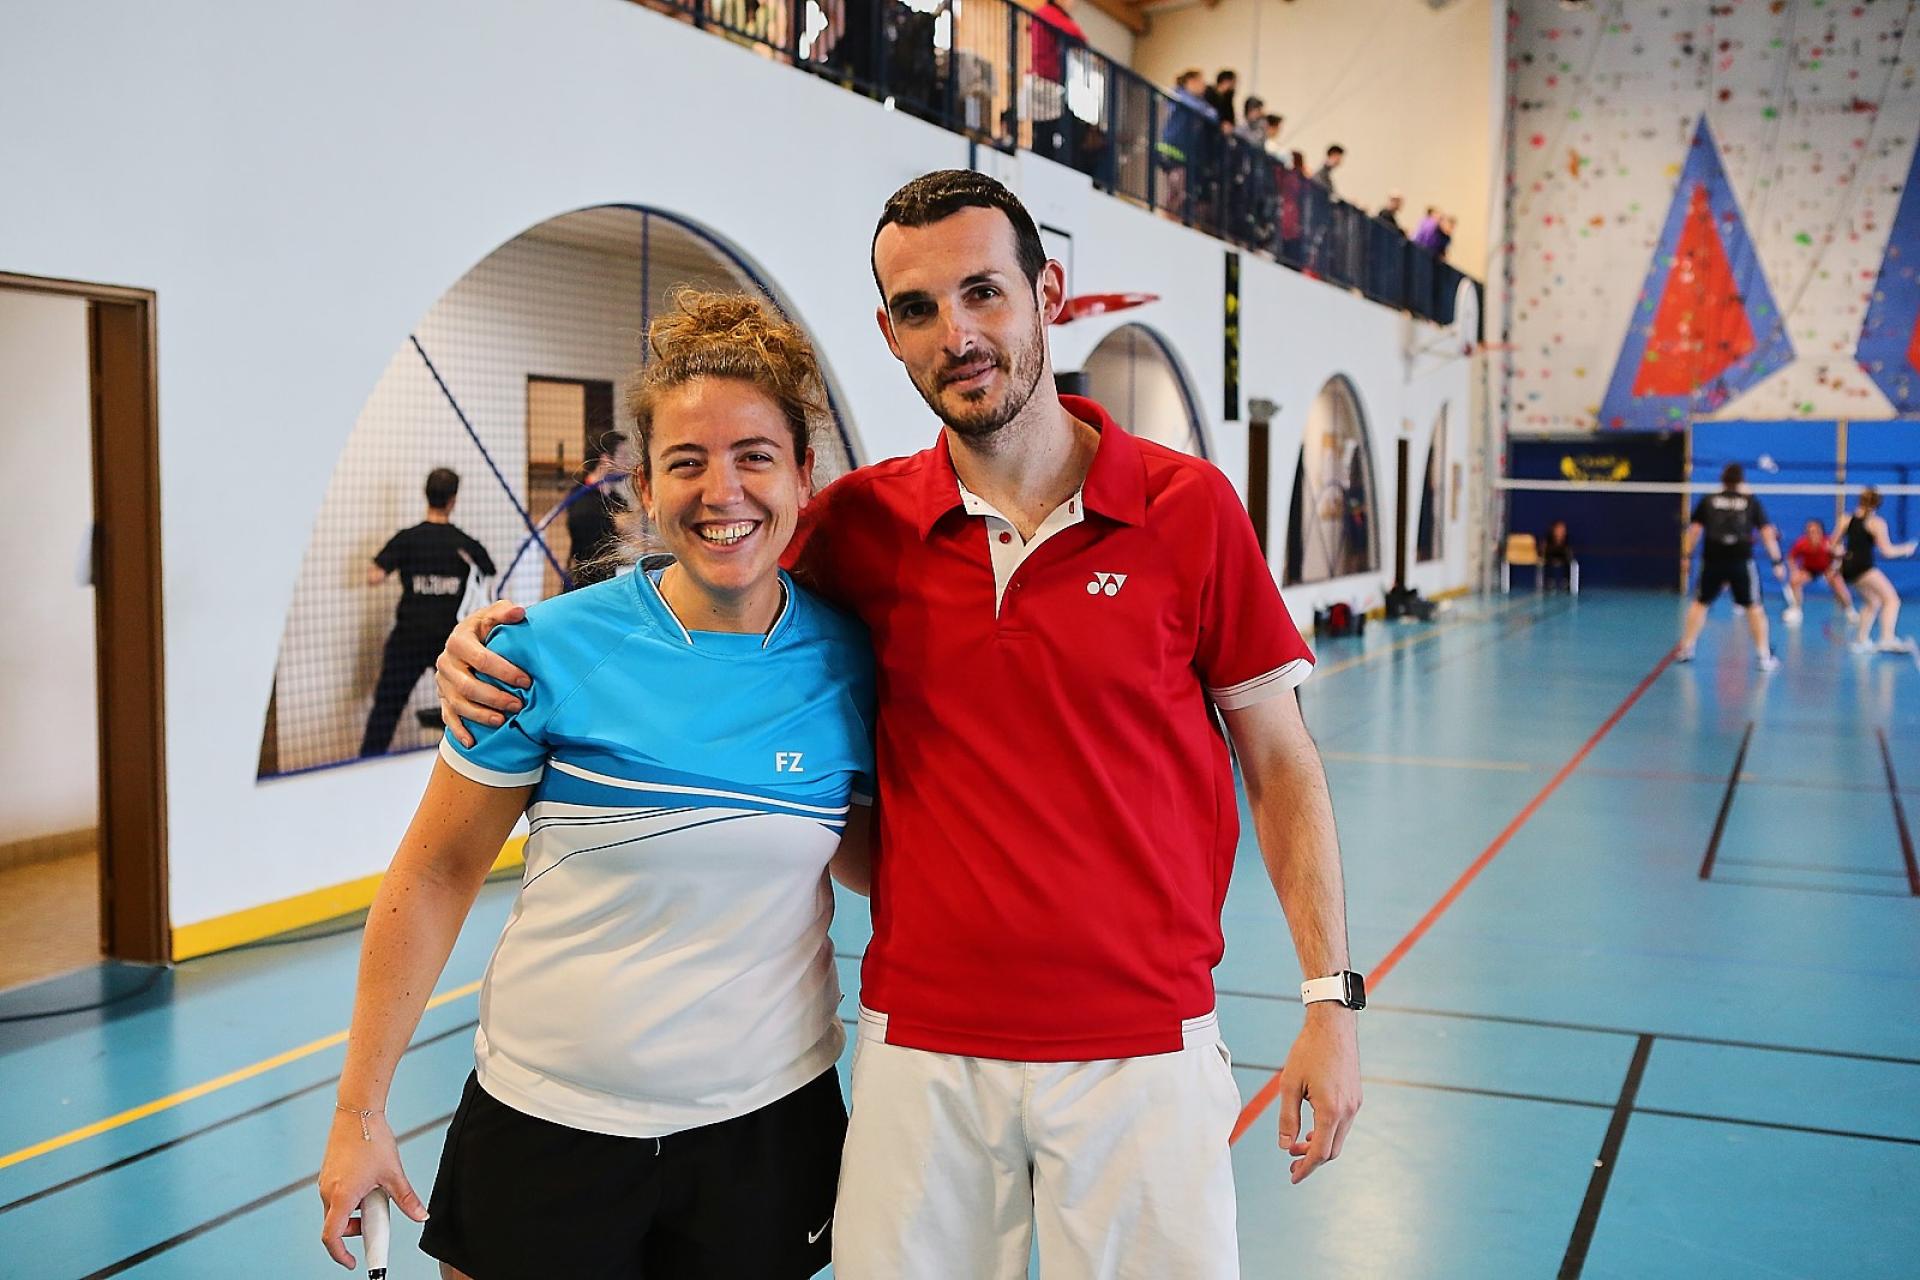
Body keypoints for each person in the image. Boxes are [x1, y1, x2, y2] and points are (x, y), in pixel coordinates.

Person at [439, 170, 1362, 1278]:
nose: (956, 335)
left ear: (1048, 295)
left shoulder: (1189, 509)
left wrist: (1329, 998)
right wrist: (509, 643)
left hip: (1144, 1046)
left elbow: (1281, 763)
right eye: (919, 309)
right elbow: (714, 563)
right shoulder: (858, 526)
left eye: (983, 293)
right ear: (889, 333)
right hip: (920, 1050)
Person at [319, 291, 877, 1278]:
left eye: (754, 455)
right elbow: (437, 873)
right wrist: (359, 1108)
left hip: (767, 1132)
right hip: (546, 1123)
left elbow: (874, 859)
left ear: (803, 473)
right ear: (647, 487)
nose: (722, 491)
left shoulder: (852, 659)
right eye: (687, 461)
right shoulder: (538, 650)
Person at [359, 469, 496, 758]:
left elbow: (374, 576)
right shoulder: (463, 544)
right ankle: (473, 759)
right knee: (466, 703)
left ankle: (367, 762)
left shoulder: (408, 539)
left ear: (426, 495)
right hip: (447, 642)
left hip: (409, 637)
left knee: (386, 709)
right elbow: (489, 570)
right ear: (453, 500)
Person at [1677, 462, 1785, 670]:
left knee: (1700, 603)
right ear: (1742, 480)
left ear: (1722, 479)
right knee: (1754, 607)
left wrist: (1686, 556)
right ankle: (1764, 657)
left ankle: (1686, 648)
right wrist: (1777, 561)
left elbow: (1694, 530)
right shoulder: (1750, 501)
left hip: (1712, 560)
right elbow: (1766, 533)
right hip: (1740, 561)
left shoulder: (1708, 499)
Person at [1834, 487, 1919, 653]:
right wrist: (1906, 549)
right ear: (1877, 504)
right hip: (1863, 567)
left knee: (1872, 601)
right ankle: (1887, 639)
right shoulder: (1876, 523)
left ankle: (1861, 641)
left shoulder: (1845, 519)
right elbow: (1887, 551)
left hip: (1847, 568)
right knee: (1892, 600)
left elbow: (1832, 545)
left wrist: (1839, 552)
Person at [562, 429, 628, 589]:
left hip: (611, 579)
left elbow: (633, 532)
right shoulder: (581, 496)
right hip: (584, 583)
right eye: (623, 456)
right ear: (606, 460)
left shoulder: (616, 498)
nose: (628, 462)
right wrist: (615, 523)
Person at [1028, 0, 1085, 169]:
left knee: (1048, 128)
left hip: (1047, 83)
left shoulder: (1047, 14)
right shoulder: (1050, 13)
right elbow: (1077, 35)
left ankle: (1049, 161)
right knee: (1047, 130)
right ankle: (1046, 163)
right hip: (1045, 83)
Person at [1781, 517, 1854, 626]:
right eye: (1810, 531)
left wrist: (1835, 563)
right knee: (1794, 580)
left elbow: (1839, 557)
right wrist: (1794, 570)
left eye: (1815, 531)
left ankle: (1850, 611)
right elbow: (1791, 557)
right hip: (1809, 570)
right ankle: (1796, 609)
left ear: (1821, 532)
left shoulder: (1829, 542)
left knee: (1839, 584)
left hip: (1827, 569)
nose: (1812, 534)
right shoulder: (1801, 543)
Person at [1541, 519, 1573, 592]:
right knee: (1546, 562)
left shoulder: (1566, 539)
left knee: (1568, 563)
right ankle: (1549, 581)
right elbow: (1545, 550)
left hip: (1562, 557)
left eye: (1562, 529)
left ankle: (1566, 582)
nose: (1560, 531)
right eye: (1558, 529)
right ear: (1554, 529)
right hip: (1550, 556)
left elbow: (1568, 551)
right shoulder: (1548, 537)